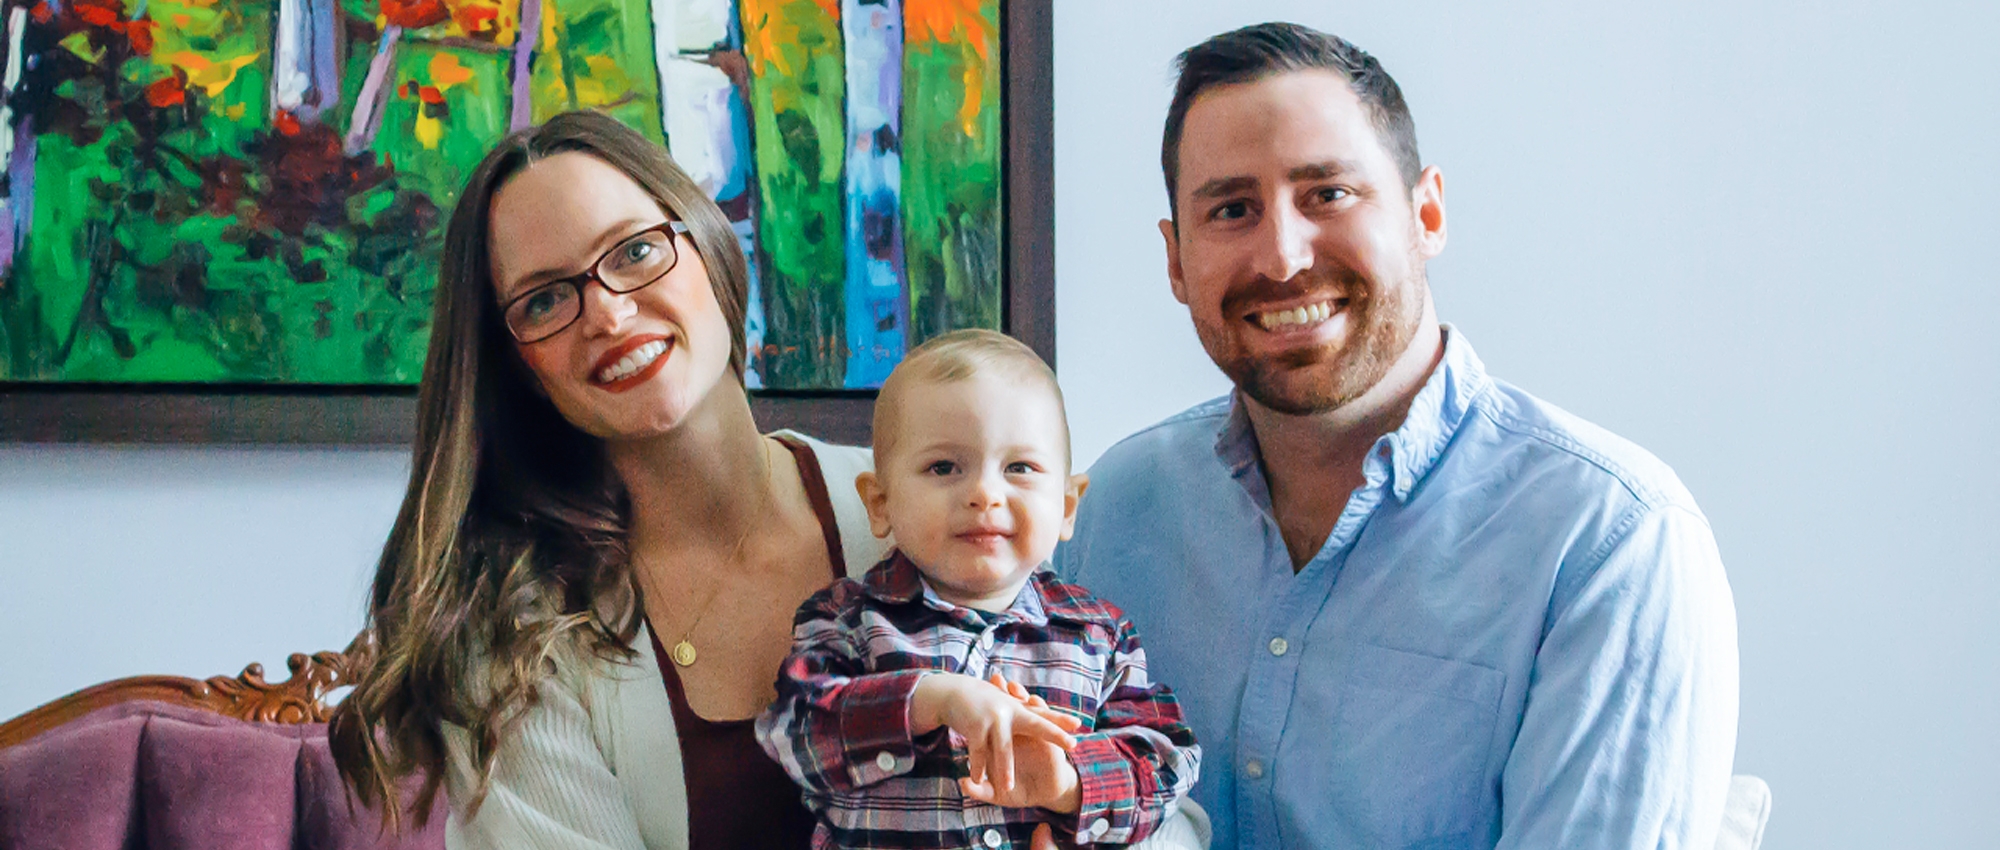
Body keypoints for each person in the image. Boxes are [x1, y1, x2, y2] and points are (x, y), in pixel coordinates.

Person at [1056, 22, 1740, 850]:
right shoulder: (1116, 510)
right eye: (1233, 209)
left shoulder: (1610, 544)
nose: (1282, 256)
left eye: (1328, 194)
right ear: (1175, 260)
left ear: (1426, 213)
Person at [328, 111, 898, 849]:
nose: (607, 311)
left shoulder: (939, 512)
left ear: (710, 244)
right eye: (544, 299)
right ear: (520, 371)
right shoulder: (509, 641)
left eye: (633, 251)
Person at [754, 330, 1205, 850]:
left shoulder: (1100, 635)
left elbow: (1168, 757)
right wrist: (931, 700)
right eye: (944, 467)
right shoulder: (846, 620)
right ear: (880, 503)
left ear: (1066, 506)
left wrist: (1071, 782)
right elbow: (794, 733)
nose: (985, 494)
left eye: (1019, 468)